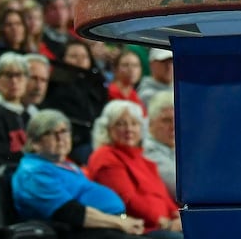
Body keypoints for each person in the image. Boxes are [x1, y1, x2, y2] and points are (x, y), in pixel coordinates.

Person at [12, 109, 146, 236]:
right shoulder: (33, 172)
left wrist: (124, 219)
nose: (61, 138)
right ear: (35, 142)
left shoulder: (67, 165)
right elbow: (71, 212)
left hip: (108, 225)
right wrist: (119, 223)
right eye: (51, 133)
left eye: (64, 131)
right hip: (81, 231)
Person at [86, 100, 182, 238]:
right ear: (107, 128)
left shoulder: (140, 157)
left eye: (134, 123)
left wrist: (177, 216)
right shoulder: (105, 156)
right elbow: (127, 200)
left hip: (164, 224)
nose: (129, 129)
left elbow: (162, 195)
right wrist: (164, 222)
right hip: (140, 229)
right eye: (120, 124)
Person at [140, 94, 176, 202]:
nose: (173, 126)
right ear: (150, 123)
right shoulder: (147, 150)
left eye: (176, 119)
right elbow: (181, 188)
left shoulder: (174, 146)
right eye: (166, 120)